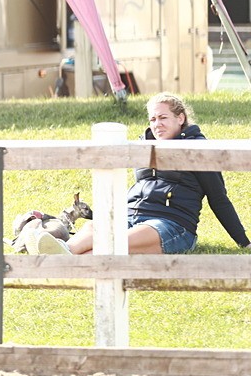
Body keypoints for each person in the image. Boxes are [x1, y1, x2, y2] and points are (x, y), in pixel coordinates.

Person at [32, 92, 249, 256]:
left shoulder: (199, 149)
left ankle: (60, 256)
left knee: (114, 241)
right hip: (130, 218)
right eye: (152, 119)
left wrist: (244, 242)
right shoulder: (142, 147)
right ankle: (63, 251)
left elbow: (219, 199)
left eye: (163, 118)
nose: (157, 124)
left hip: (171, 225)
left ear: (180, 118)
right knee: (94, 228)